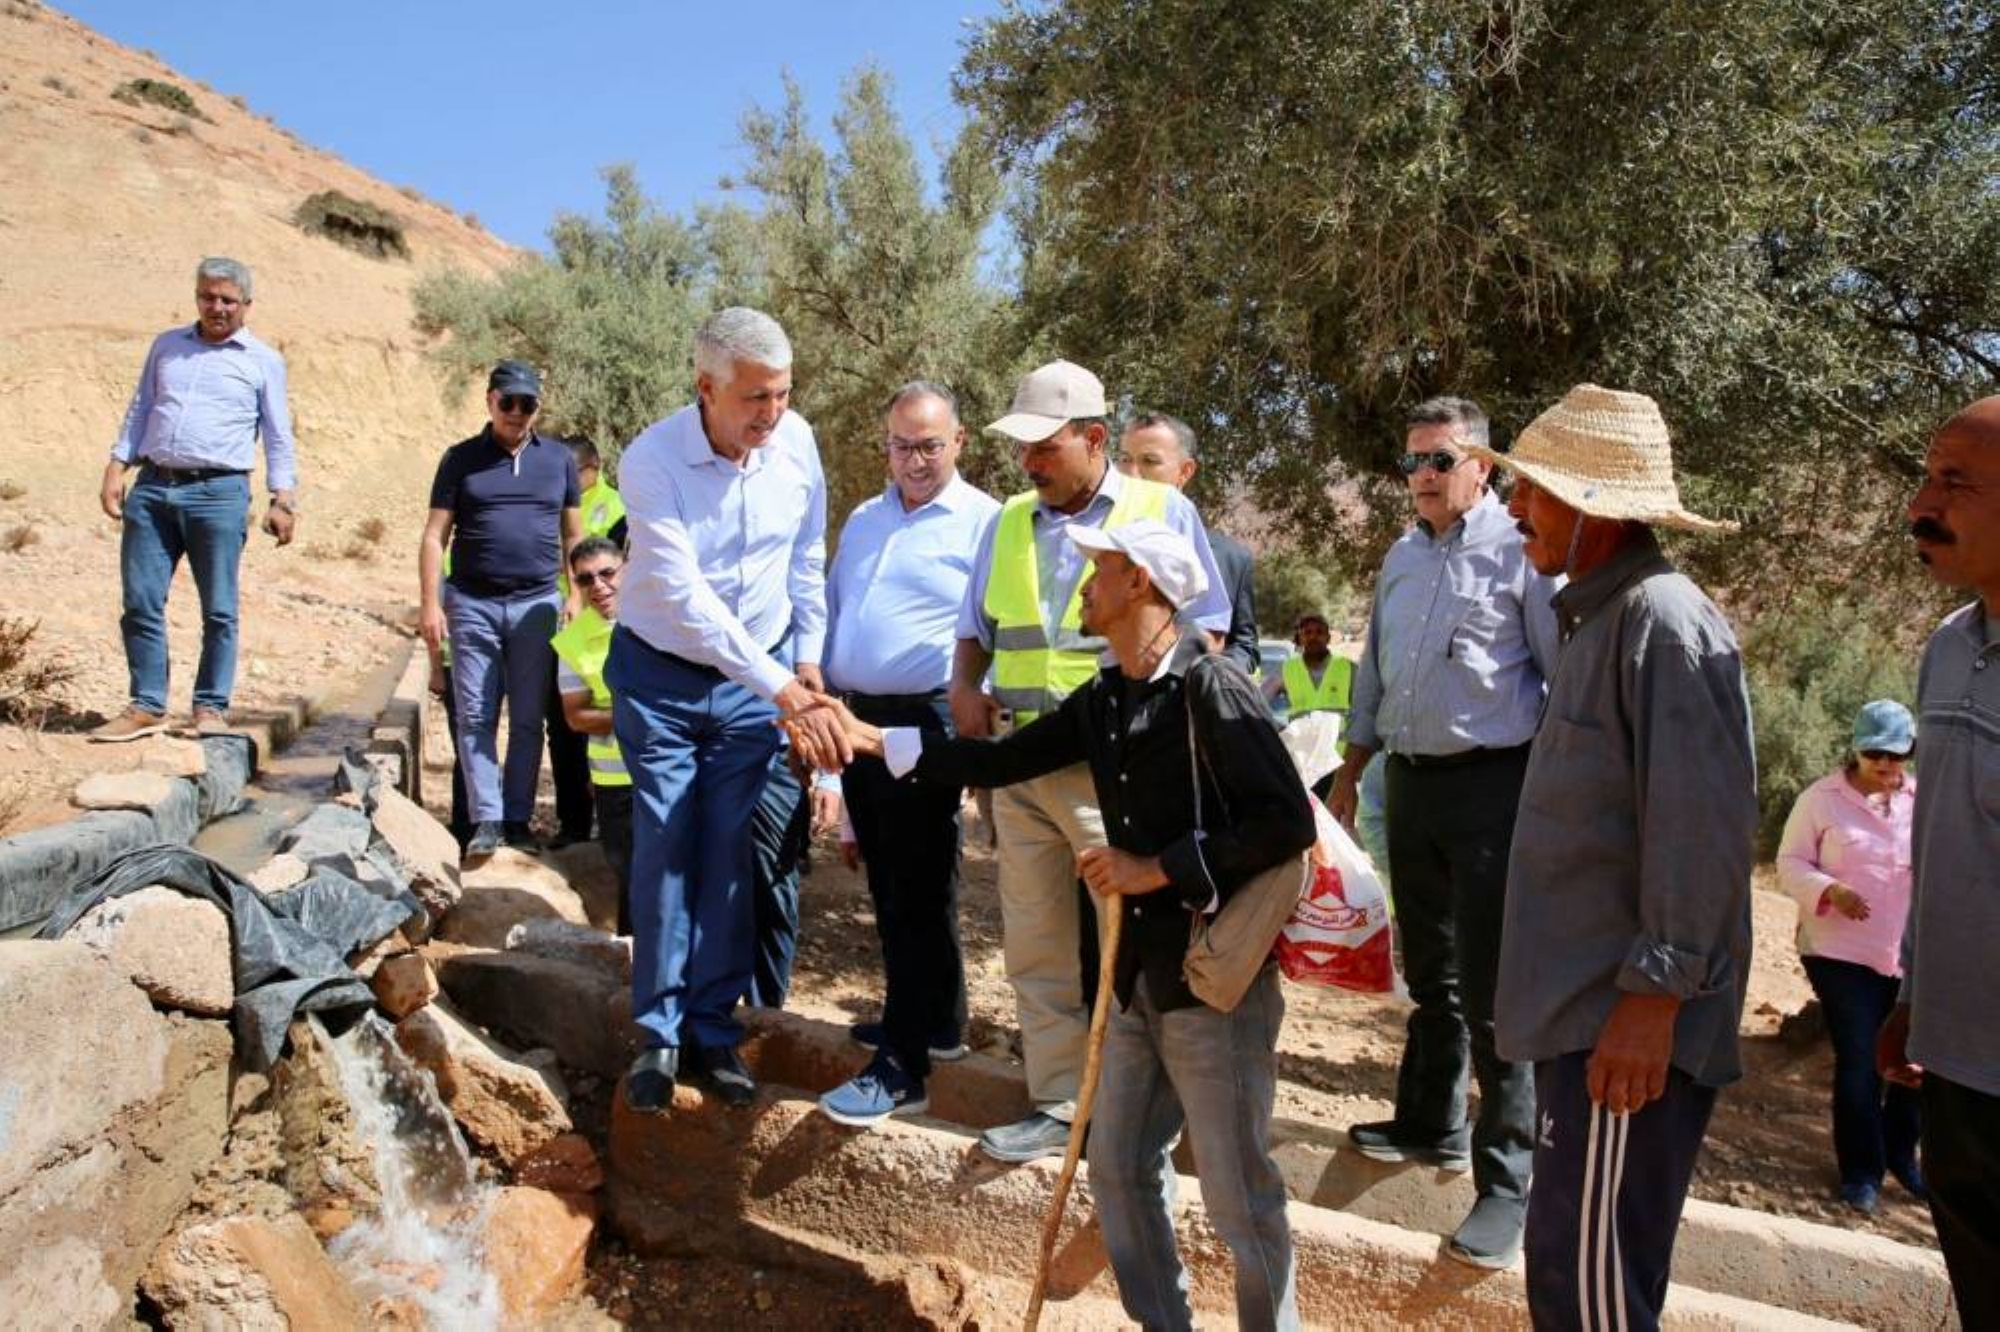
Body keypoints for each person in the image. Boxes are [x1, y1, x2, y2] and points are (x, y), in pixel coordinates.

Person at [799, 521, 1313, 1330]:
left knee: (1239, 1198)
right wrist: (871, 739)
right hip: (1138, 982)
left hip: (1214, 988)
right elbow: (1001, 760)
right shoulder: (1108, 697)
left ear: (1139, 583)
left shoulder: (1211, 686)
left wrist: (1158, 868)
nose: (1081, 587)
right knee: (1114, 1170)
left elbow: (1285, 823)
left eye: (1097, 571)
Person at [1468, 384, 1755, 1331]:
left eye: (1535, 494)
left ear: (1593, 509)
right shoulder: (1598, 619)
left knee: (1592, 1294)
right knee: (1573, 1274)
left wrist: (1653, 999)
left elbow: (1701, 831)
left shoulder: (1662, 622)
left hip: (1623, 1029)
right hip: (1587, 1018)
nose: (1515, 510)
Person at [950, 359, 1232, 1163]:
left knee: (1132, 944)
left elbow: (1205, 633)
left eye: (1045, 446)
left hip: (1121, 768)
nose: (1029, 462)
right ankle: (1060, 1105)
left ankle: (1148, 1119)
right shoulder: (1006, 520)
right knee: (1038, 944)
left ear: (1094, 437)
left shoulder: (1160, 508)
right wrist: (966, 689)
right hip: (1021, 762)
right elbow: (974, 629)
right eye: (1024, 448)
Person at [1326, 395, 1560, 1268]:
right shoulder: (1399, 557)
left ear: (1482, 467)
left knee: (1498, 993)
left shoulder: (1522, 553)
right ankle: (1431, 1123)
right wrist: (1352, 773)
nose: (1421, 477)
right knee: (1430, 970)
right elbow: (1374, 673)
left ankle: (1508, 1187)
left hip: (1495, 789)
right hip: (1410, 786)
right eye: (1411, 463)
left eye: (1439, 460)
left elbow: (1558, 677)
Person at [606, 307, 846, 1114]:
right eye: (753, 398)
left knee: (731, 847)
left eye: (781, 394)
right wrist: (782, 689)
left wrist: (807, 659)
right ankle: (659, 1035)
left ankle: (713, 1028)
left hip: (765, 672)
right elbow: (685, 597)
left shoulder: (798, 442)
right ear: (705, 387)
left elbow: (807, 555)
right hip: (665, 675)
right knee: (667, 841)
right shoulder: (651, 460)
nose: (770, 415)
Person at [814, 382, 1001, 1127]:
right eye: (902, 445)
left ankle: (903, 1066)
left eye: (930, 445)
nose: (916, 460)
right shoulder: (864, 518)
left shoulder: (987, 522)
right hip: (856, 718)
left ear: (959, 443)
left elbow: (987, 633)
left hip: (926, 721)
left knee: (916, 887)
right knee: (893, 881)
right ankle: (937, 1024)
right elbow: (833, 611)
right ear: (884, 446)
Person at [1878, 394, 2000, 1325]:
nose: (1922, 503)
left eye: (1955, 483)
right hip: (1957, 1061)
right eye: (1926, 476)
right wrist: (1913, 997)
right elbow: (1939, 841)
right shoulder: (1950, 649)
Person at [94, 256, 299, 742]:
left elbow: (278, 435)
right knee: (141, 600)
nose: (217, 307)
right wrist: (116, 465)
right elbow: (141, 408)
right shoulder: (167, 346)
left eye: (228, 299)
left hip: (220, 492)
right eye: (209, 296)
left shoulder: (263, 360)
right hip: (153, 486)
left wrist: (283, 498)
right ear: (197, 298)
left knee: (219, 608)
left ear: (246, 305)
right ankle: (146, 705)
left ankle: (210, 707)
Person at [418, 360, 582, 863]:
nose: (516, 412)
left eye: (526, 404)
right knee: (474, 716)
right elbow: (432, 537)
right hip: (471, 603)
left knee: (529, 718)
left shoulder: (558, 460)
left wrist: (573, 594)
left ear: (538, 407)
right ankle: (486, 820)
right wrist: (430, 603)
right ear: (489, 401)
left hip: (537, 604)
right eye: (507, 401)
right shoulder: (459, 459)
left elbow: (572, 534)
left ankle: (517, 819)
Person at [1776, 699, 1922, 1214]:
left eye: (1897, 755)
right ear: (1855, 750)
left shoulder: (1920, 801)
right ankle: (1862, 1172)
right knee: (1860, 1059)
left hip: (1907, 956)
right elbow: (1788, 862)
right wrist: (1829, 889)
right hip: (1838, 954)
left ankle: (1903, 1157)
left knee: (1910, 1060)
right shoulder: (1821, 799)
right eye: (1874, 754)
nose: (1886, 765)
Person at [1117, 412, 1259, 671]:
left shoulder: (1231, 558)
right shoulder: (1095, 539)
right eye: (1124, 459)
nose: (1132, 474)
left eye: (1149, 461)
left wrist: (1210, 682)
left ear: (1185, 471)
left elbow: (1243, 646)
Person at [544, 435, 625, 851]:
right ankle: (574, 822)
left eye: (572, 474)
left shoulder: (616, 507)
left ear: (592, 467)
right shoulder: (550, 505)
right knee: (562, 727)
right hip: (570, 629)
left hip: (605, 621)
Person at [550, 537, 635, 932]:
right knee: (632, 874)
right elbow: (577, 716)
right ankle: (639, 967)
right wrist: (641, 715)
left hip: (676, 767)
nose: (599, 586)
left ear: (626, 568)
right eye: (586, 580)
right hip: (616, 779)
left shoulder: (662, 616)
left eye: (607, 573)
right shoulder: (572, 641)